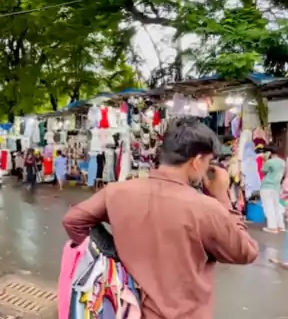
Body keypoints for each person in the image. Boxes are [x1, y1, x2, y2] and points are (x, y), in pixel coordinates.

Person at [62, 118, 258, 319]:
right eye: (208, 162)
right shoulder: (207, 209)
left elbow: (73, 221)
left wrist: (114, 254)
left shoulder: (117, 192)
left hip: (129, 310)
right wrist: (223, 197)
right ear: (197, 161)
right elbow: (246, 251)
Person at [260, 145, 286, 234]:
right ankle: (280, 226)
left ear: (269, 153)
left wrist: (264, 160)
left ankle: (272, 227)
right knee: (276, 206)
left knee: (268, 206)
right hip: (276, 187)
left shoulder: (269, 162)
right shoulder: (283, 162)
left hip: (267, 186)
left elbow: (263, 171)